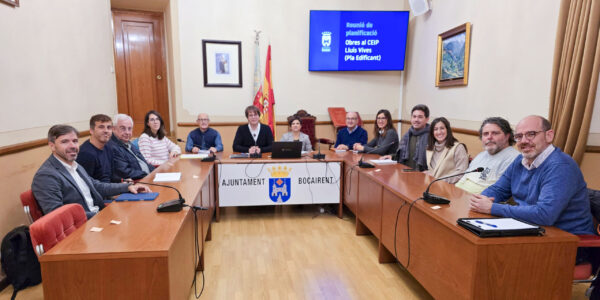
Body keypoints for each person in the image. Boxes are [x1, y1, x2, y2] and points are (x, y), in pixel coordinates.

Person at [469, 115, 595, 233]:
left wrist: (492, 208)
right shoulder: (520, 160)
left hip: (569, 239)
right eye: (519, 136)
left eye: (531, 134)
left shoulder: (561, 166)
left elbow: (545, 215)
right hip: (532, 228)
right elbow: (498, 189)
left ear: (549, 136)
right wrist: (481, 200)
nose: (524, 141)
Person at [32, 125, 151, 219]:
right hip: (82, 227)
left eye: (75, 141)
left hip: (98, 215)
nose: (72, 146)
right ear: (52, 146)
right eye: (65, 142)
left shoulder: (75, 165)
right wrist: (101, 216)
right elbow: (58, 214)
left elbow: (96, 185)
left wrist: (128, 187)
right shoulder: (46, 175)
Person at [455, 117, 519, 194]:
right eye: (485, 134)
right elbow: (464, 178)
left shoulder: (514, 158)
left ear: (507, 136)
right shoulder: (481, 155)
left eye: (495, 133)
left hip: (479, 202)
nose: (489, 137)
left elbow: (498, 192)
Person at [382, 104, 430, 171]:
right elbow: (402, 155)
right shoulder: (407, 135)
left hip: (423, 176)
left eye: (420, 117)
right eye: (414, 116)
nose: (416, 119)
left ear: (427, 119)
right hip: (405, 174)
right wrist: (392, 157)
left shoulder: (431, 137)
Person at [110, 114, 155, 181]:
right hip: (136, 183)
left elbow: (144, 163)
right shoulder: (113, 147)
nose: (127, 132)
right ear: (113, 129)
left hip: (146, 178)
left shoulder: (129, 143)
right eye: (123, 128)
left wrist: (156, 172)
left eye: (129, 128)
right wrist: (147, 174)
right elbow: (125, 172)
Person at [425, 117, 468, 183]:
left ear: (447, 130)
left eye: (442, 128)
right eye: (435, 129)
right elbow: (435, 171)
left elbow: (461, 172)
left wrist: (439, 180)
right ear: (432, 133)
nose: (439, 132)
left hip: (449, 187)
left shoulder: (458, 147)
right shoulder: (430, 148)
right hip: (432, 184)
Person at [76, 114, 115, 182]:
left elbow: (110, 175)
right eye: (101, 127)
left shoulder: (108, 147)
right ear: (91, 130)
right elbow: (88, 185)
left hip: (109, 188)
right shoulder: (86, 154)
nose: (106, 131)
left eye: (109, 127)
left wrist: (123, 182)